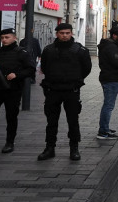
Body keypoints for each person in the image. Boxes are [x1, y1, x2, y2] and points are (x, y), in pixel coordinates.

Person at [37, 23, 92, 161]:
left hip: (71, 91)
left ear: (71, 33)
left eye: (67, 33)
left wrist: (75, 80)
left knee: (73, 121)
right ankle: (50, 148)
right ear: (57, 34)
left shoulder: (80, 50)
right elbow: (44, 67)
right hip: (52, 90)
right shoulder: (48, 50)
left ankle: (74, 148)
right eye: (62, 33)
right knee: (51, 121)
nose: (65, 35)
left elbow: (86, 68)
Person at [96, 24, 118, 140]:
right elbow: (117, 63)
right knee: (108, 105)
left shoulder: (109, 45)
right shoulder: (111, 47)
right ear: (114, 36)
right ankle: (103, 131)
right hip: (111, 78)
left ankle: (104, 128)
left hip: (108, 78)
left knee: (108, 105)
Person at [18, 36, 42, 111]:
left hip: (32, 56)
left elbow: (38, 48)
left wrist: (39, 55)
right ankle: (31, 78)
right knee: (30, 67)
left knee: (32, 67)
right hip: (29, 56)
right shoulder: (25, 41)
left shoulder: (33, 40)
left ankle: (32, 78)